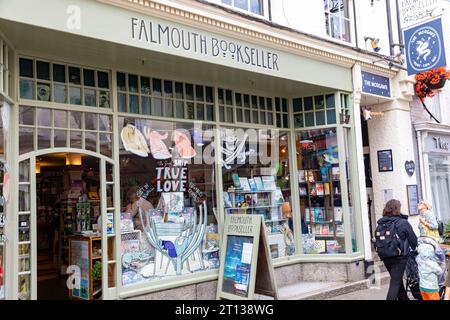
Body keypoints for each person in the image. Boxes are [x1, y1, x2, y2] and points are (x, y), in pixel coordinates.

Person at [375, 199, 418, 300]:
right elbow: (414, 242)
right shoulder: (403, 223)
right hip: (399, 257)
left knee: (397, 280)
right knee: (395, 282)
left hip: (385, 256)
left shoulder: (381, 224)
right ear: (398, 209)